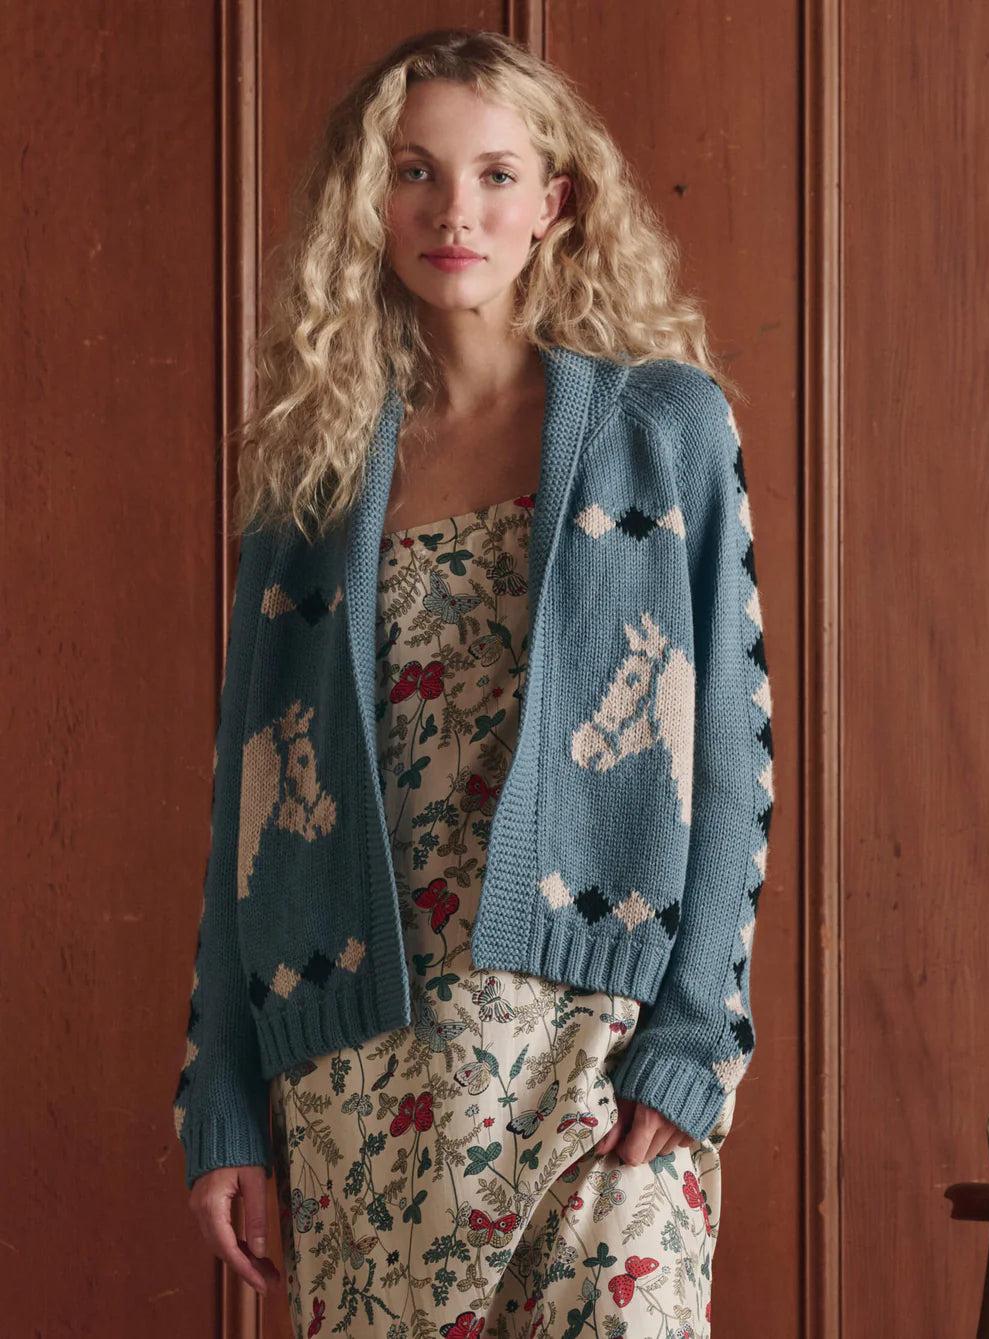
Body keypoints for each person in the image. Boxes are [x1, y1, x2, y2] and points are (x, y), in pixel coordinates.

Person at [174, 27, 774, 1339]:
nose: (457, 211)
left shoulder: (662, 427)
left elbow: (732, 756)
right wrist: (221, 1098)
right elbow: (249, 808)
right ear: (368, 202)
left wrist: (695, 1038)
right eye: (416, 172)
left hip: (595, 1044)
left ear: (554, 203)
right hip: (357, 1060)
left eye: (497, 174)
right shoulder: (313, 484)